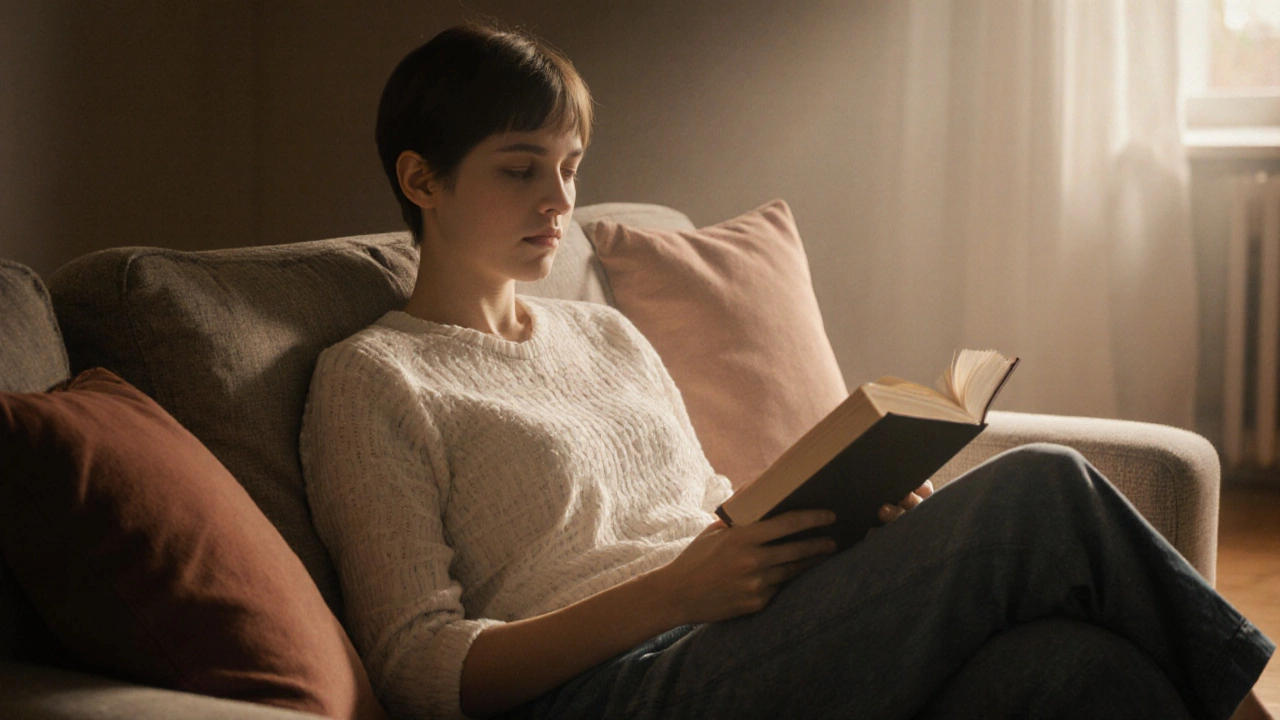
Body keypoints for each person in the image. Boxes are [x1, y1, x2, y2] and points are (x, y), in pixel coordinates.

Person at [299, 23, 1275, 720]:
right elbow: (419, 670)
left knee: (1073, 671)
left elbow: (705, 509)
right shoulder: (373, 381)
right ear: (421, 179)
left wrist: (844, 530)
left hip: (738, 637)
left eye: (570, 164)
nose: (559, 200)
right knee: (1039, 488)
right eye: (521, 167)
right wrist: (673, 597)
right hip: (613, 686)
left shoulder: (601, 336)